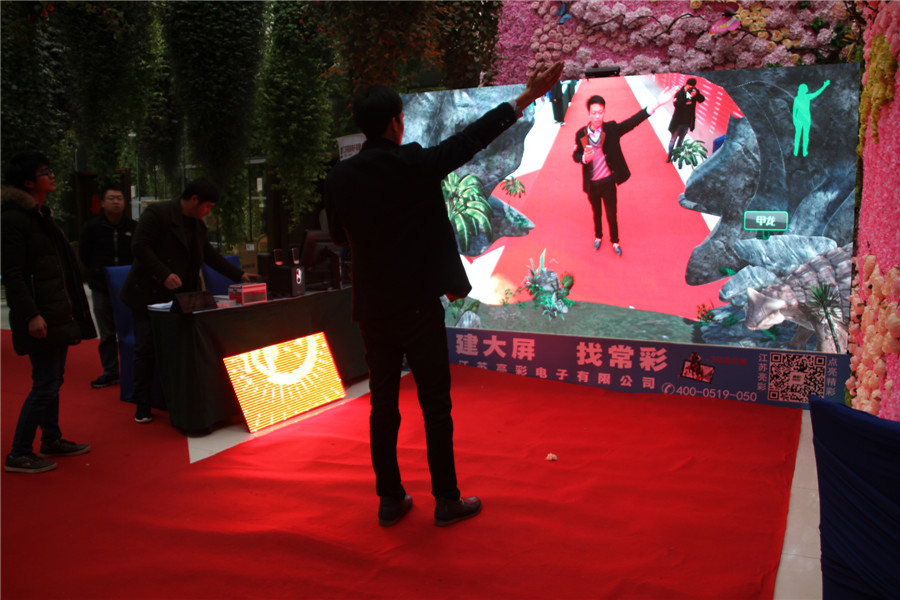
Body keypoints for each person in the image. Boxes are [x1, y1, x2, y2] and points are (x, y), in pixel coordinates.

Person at [325, 61, 564, 527]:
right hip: (418, 305)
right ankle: (446, 500)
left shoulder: (340, 178)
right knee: (435, 405)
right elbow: (470, 140)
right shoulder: (413, 163)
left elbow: (338, 236)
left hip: (372, 309)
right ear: (396, 122)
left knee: (382, 405)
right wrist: (525, 98)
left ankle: (390, 500)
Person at [118, 178, 255, 424]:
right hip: (149, 293)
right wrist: (163, 273)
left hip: (183, 296)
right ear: (194, 200)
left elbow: (209, 255)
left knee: (181, 349)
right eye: (208, 206)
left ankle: (177, 400)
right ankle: (142, 404)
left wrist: (239, 275)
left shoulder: (196, 224)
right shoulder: (158, 213)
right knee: (146, 349)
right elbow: (139, 247)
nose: (208, 211)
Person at [1, 151, 97, 473]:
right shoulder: (14, 219)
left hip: (56, 311)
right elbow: (13, 275)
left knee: (53, 380)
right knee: (45, 382)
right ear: (28, 182)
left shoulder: (41, 215)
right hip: (41, 314)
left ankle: (51, 438)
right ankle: (19, 452)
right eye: (45, 172)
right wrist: (31, 315)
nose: (52, 175)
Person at [573, 86, 677, 256]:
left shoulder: (612, 129)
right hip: (592, 185)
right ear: (589, 114)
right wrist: (583, 158)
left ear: (604, 112)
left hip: (608, 182)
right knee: (596, 213)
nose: (597, 116)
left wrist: (657, 104)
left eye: (600, 112)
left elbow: (632, 122)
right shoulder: (580, 134)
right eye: (594, 113)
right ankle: (598, 236)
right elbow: (576, 155)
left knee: (611, 214)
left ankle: (615, 241)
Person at [79, 184, 137, 389]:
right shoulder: (92, 228)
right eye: (111, 198)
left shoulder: (133, 227)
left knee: (131, 330)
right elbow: (84, 254)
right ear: (102, 202)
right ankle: (110, 371)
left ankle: (133, 371)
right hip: (101, 287)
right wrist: (97, 272)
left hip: (128, 287)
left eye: (119, 198)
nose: (116, 202)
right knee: (107, 333)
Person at [666, 78, 706, 163]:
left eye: (693, 87)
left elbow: (702, 99)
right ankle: (670, 155)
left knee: (681, 140)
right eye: (690, 86)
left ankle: (676, 155)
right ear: (686, 85)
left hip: (687, 122)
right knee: (673, 140)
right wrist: (688, 96)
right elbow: (676, 104)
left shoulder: (694, 92)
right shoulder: (680, 93)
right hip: (677, 122)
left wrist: (696, 94)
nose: (691, 88)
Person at [792, 79, 830, 158]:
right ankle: (796, 151)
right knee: (798, 135)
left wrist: (825, 85)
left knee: (805, 135)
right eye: (802, 89)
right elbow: (794, 111)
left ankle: (804, 151)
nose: (803, 91)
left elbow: (817, 93)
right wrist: (795, 120)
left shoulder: (806, 97)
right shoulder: (797, 99)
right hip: (800, 119)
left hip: (806, 119)